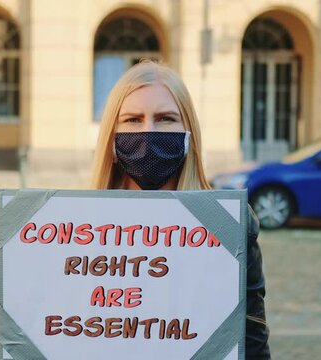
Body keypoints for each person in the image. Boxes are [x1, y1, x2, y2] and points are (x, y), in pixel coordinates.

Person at [90, 60, 271, 358]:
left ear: (189, 134)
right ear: (111, 139)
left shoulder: (231, 226)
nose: (149, 132)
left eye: (165, 119)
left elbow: (251, 339)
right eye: (133, 119)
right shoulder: (75, 226)